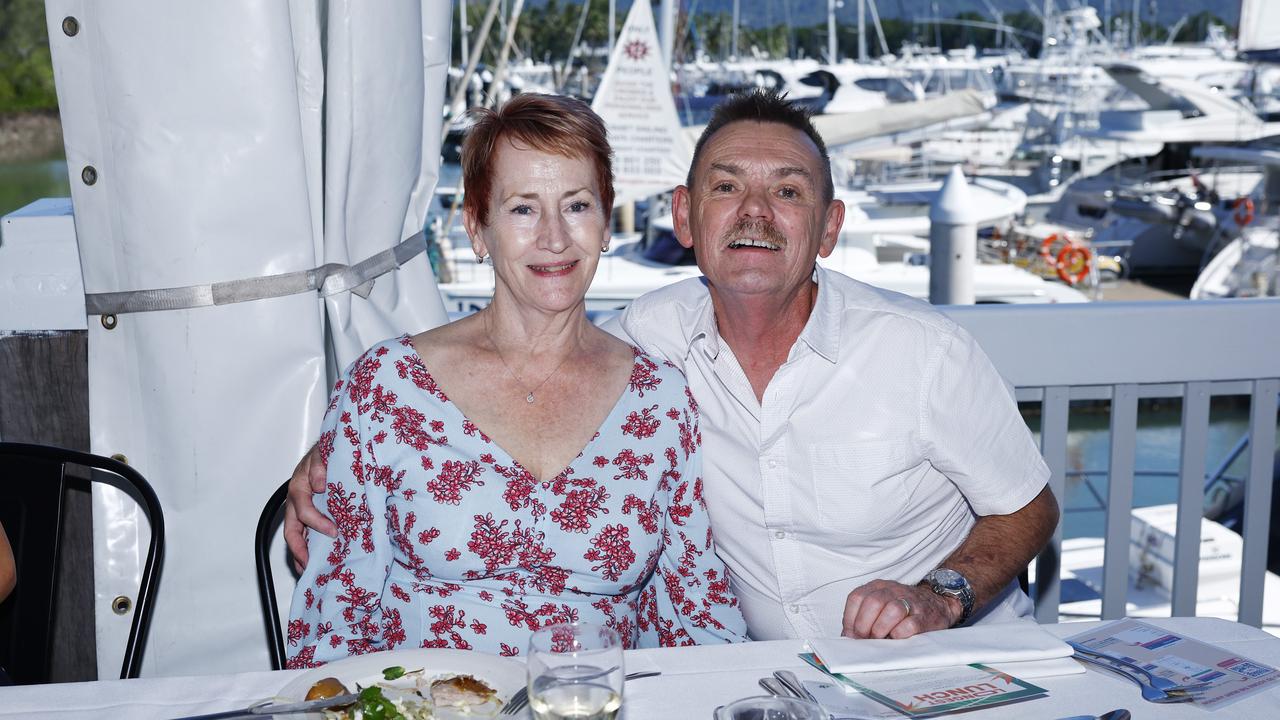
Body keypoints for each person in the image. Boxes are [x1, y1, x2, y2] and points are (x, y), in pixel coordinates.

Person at [287, 89, 1058, 643]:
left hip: (943, 667)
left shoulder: (916, 352)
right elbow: (523, 359)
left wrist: (938, 597)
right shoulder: (652, 346)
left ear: (828, 229)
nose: (755, 211)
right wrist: (340, 444)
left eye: (786, 191)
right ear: (685, 218)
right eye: (728, 187)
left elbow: (1030, 507)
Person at [284, 93, 746, 668]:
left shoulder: (660, 401)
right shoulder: (386, 389)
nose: (554, 237)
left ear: (606, 222)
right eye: (523, 209)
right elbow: (334, 621)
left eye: (577, 205)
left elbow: (695, 613)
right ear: (478, 229)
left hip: (588, 706)